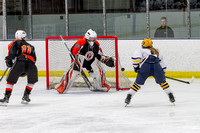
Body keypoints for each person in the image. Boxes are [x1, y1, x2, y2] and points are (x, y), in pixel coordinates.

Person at [55, 29, 115, 94]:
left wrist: (105, 60)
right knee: (73, 73)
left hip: (90, 62)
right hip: (79, 60)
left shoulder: (96, 45)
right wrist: (74, 62)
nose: (93, 40)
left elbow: (99, 55)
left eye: (94, 38)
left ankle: (100, 86)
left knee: (99, 70)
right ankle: (62, 87)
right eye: (91, 38)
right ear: (87, 37)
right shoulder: (81, 42)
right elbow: (73, 52)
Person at [125, 38, 175, 106]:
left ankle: (129, 96)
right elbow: (162, 63)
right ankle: (170, 95)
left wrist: (136, 67)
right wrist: (162, 72)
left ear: (143, 44)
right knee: (163, 83)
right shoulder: (157, 52)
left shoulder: (140, 50)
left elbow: (136, 59)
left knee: (137, 84)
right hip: (156, 68)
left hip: (145, 68)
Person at [0, 30, 38, 105]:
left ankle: (6, 98)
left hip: (20, 63)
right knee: (32, 81)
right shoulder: (31, 46)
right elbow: (35, 58)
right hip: (31, 65)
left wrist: (9, 61)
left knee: (10, 81)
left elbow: (12, 53)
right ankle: (26, 96)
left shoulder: (15, 43)